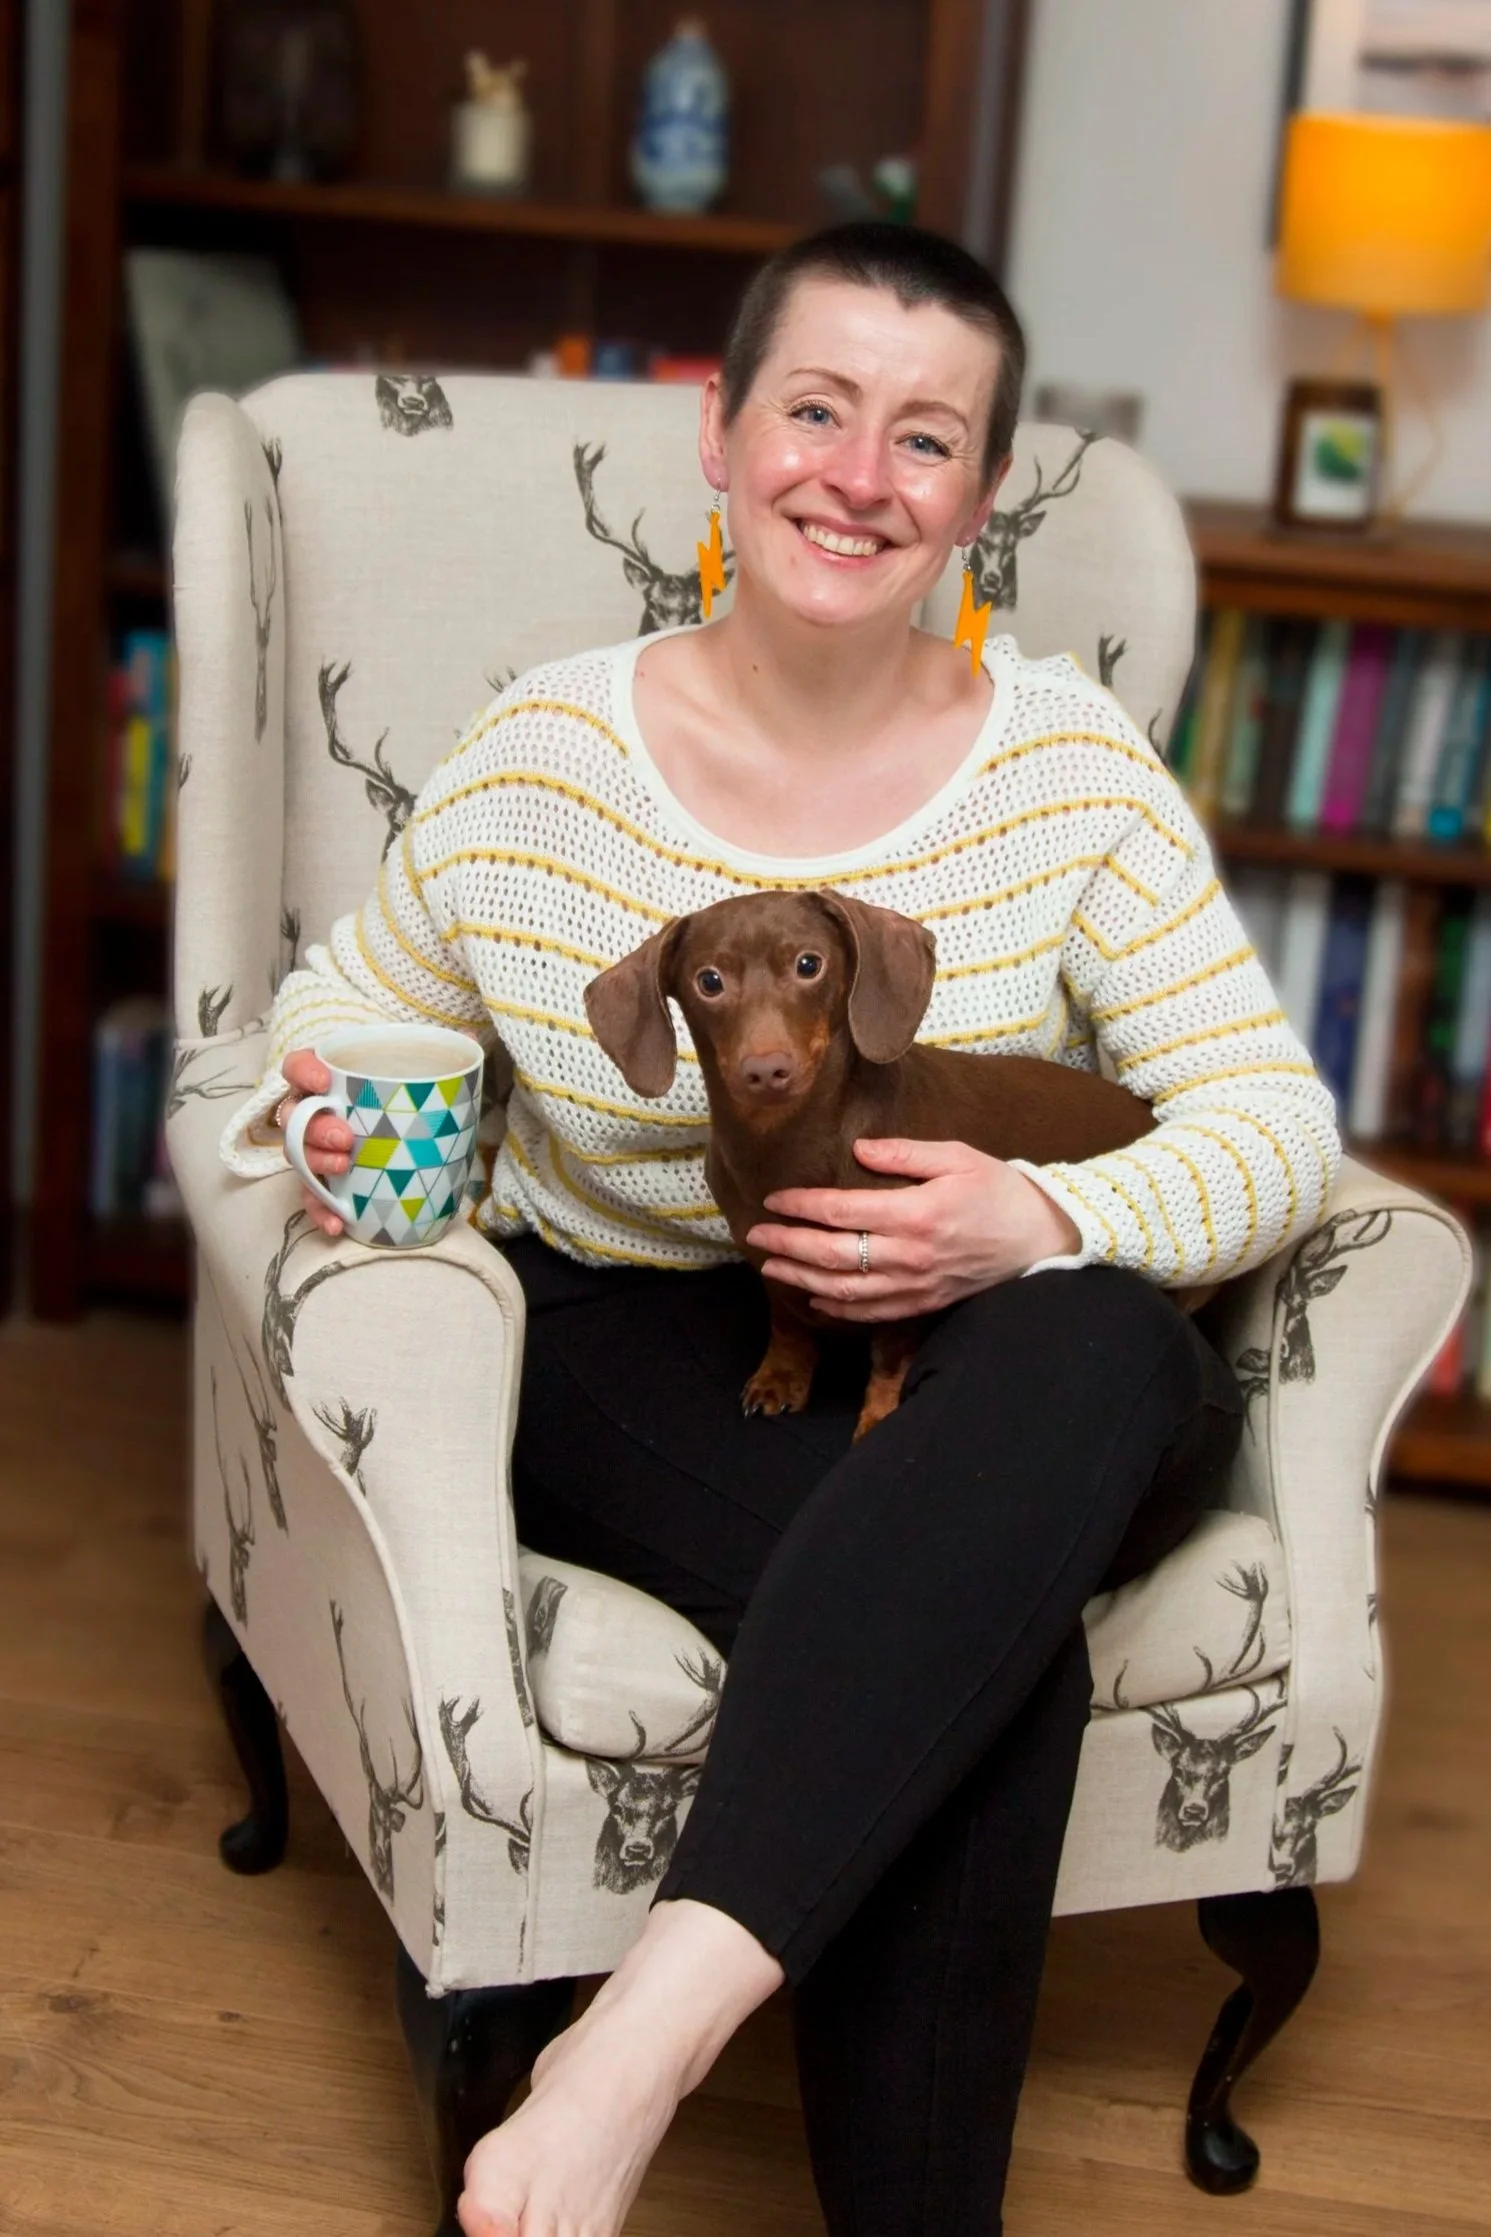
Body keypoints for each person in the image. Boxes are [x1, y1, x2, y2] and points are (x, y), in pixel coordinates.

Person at [222, 222, 1341, 2237]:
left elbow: (1272, 1129)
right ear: (720, 439)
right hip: (646, 1340)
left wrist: (1029, 1214)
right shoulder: (540, 766)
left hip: (1028, 1372)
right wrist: (341, 1110)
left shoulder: (1069, 766)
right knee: (976, 1654)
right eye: (814, 408)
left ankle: (628, 2040)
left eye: (927, 437)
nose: (859, 470)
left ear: (979, 499)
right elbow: (348, 1004)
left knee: (1088, 1336)